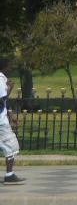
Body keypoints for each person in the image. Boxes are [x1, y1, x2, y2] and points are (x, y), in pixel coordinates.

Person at [0, 57, 24, 185]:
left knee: (8, 146)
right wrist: (9, 88)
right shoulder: (0, 80)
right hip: (0, 123)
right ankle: (9, 175)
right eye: (9, 66)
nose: (11, 68)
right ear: (4, 67)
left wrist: (10, 115)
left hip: (2, 119)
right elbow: (1, 100)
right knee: (11, 146)